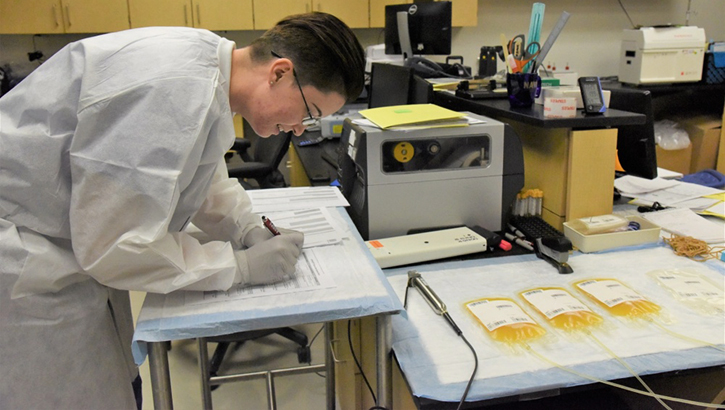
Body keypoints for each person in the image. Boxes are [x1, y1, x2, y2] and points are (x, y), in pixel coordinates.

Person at [0, 12, 365, 409]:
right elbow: (114, 247)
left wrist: (246, 227)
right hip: (27, 265)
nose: (299, 130)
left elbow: (199, 176)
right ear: (279, 73)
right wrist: (238, 268)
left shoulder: (205, 72)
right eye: (309, 113)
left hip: (59, 248)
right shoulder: (170, 89)